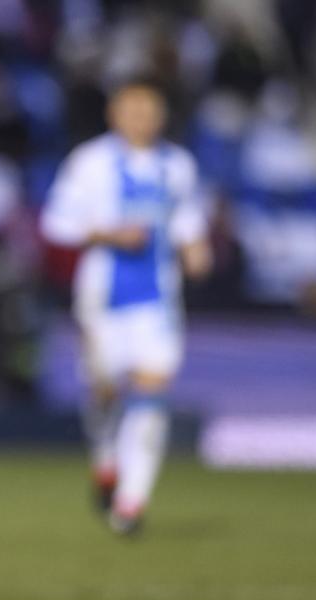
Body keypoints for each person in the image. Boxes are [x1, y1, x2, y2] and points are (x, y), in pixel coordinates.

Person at [41, 80, 211, 536]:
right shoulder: (90, 162)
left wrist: (196, 249)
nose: (141, 119)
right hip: (102, 299)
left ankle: (131, 503)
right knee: (104, 393)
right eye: (132, 110)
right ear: (114, 115)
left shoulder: (177, 165)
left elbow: (187, 219)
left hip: (158, 301)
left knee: (152, 391)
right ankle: (106, 459)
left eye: (149, 110)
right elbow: (56, 223)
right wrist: (109, 234)